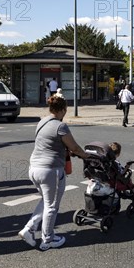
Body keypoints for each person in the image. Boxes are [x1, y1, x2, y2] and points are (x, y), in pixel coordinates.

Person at [18, 96, 88, 250]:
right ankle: (48, 240)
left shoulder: (42, 121)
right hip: (50, 170)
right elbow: (74, 148)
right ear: (62, 110)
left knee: (45, 201)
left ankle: (29, 229)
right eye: (65, 111)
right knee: (52, 206)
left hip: (34, 168)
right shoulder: (60, 126)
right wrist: (86, 156)